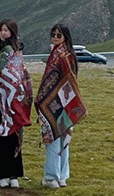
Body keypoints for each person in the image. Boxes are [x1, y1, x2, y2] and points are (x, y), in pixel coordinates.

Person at [34, 24, 87, 189]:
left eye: (59, 34)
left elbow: (62, 81)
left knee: (54, 139)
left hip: (56, 103)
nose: (55, 37)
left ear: (65, 37)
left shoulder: (59, 56)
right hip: (65, 102)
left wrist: (45, 100)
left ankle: (52, 177)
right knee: (63, 139)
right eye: (53, 34)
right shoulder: (67, 55)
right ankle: (62, 176)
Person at [0, 19, 33, 188]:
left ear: (12, 32)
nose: (3, 33)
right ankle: (9, 174)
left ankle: (8, 174)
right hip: (9, 100)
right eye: (1, 30)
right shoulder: (11, 51)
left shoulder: (11, 52)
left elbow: (9, 73)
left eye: (6, 30)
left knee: (7, 134)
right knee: (10, 133)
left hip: (10, 100)